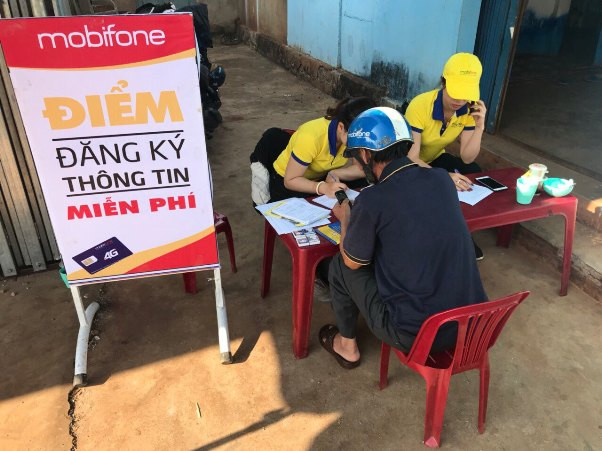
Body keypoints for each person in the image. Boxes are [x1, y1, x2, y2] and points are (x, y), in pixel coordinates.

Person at [318, 107, 487, 369]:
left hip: (417, 335)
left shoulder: (372, 199)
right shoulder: (441, 179)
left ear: (366, 155)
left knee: (341, 265)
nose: (358, 165)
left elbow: (352, 261)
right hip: (475, 325)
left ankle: (347, 346)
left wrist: (346, 218)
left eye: (356, 158)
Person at [404, 53, 487, 259]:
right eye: (455, 93)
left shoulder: (469, 109)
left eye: (465, 94)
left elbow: (467, 157)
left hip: (435, 158)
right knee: (436, 187)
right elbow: (411, 157)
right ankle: (445, 237)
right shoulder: (420, 105)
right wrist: (444, 177)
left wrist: (479, 127)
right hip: (409, 163)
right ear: (444, 82)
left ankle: (462, 231)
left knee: (472, 171)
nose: (460, 100)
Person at [269, 96, 376, 202]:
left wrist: (335, 173)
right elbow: (290, 181)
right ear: (341, 127)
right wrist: (323, 187)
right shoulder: (311, 137)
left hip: (321, 178)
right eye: (357, 139)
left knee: (365, 188)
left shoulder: (356, 134)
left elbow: (363, 169)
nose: (361, 144)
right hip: (289, 181)